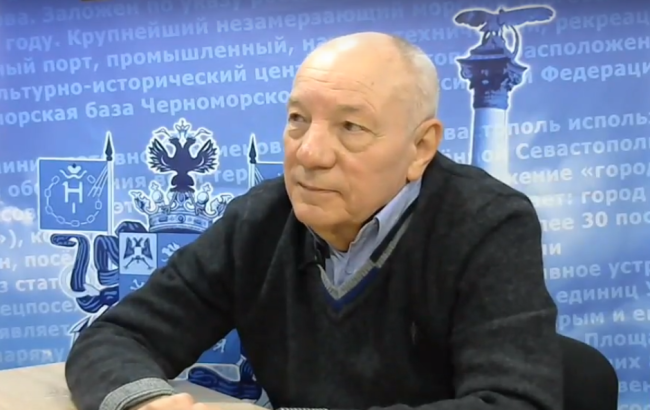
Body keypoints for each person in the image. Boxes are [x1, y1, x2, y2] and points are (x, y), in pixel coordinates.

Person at [65, 32, 562, 410]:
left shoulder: (487, 224)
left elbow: (515, 401)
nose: (309, 153)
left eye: (351, 126)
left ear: (420, 147)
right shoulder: (259, 220)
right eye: (298, 119)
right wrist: (148, 403)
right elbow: (117, 337)